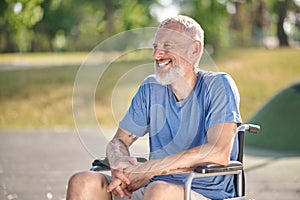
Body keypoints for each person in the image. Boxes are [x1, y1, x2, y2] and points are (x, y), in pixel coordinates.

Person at [66, 15, 242, 200]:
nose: (157, 55)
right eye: (156, 47)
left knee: (158, 191)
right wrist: (119, 161)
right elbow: (119, 141)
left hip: (200, 191)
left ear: (194, 49)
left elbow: (218, 152)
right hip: (153, 187)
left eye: (167, 46)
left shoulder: (219, 85)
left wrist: (148, 169)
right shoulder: (151, 88)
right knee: (82, 182)